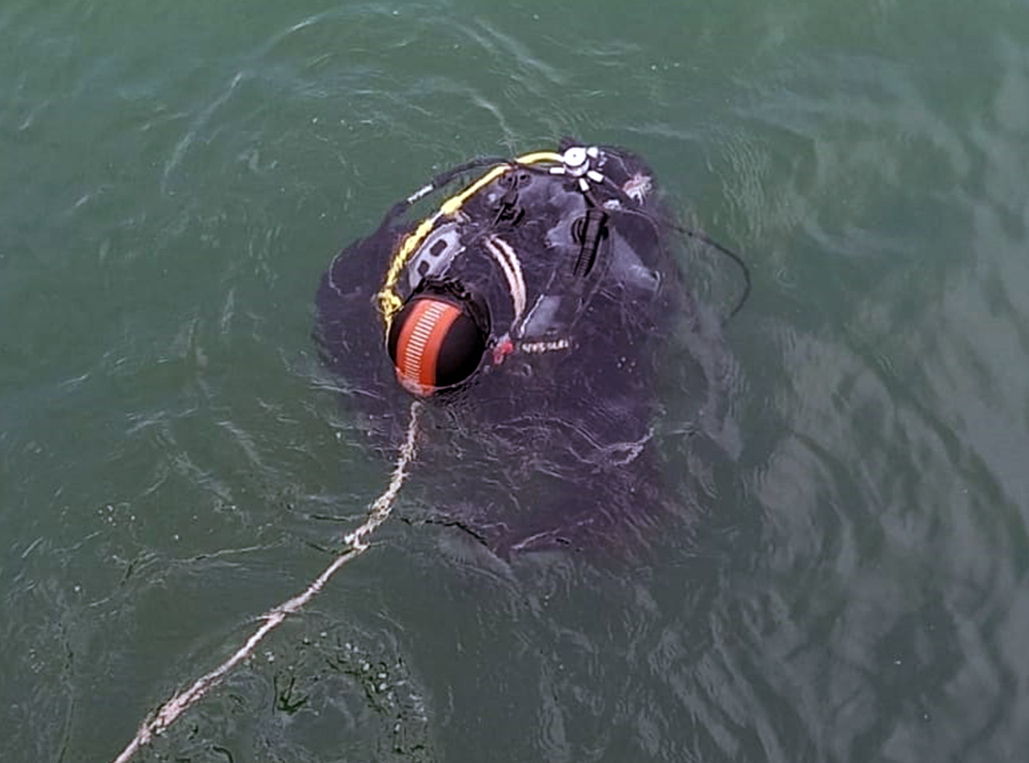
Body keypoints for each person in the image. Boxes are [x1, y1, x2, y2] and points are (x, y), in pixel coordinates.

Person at [314, 140, 739, 558]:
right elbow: (335, 291)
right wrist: (373, 413)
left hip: (611, 236)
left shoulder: (583, 334)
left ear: (497, 354)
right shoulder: (413, 264)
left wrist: (505, 542)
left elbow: (638, 506)